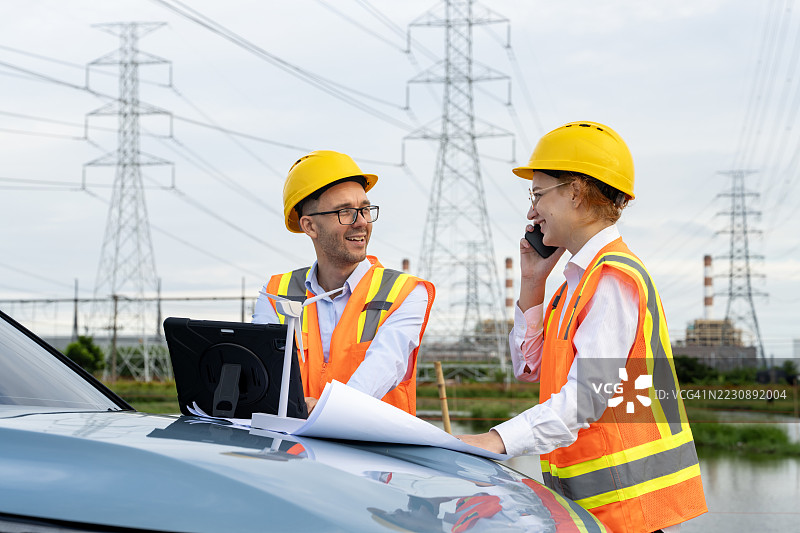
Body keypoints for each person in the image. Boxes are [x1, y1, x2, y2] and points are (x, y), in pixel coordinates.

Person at [458, 122, 707, 533]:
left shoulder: (611, 278)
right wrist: (533, 281)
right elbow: (528, 368)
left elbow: (585, 399)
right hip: (594, 509)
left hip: (624, 511)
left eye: (538, 195)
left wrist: (496, 441)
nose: (531, 211)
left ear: (574, 192)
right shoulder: (573, 284)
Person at [253, 150, 435, 416]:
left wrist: (324, 410)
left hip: (377, 454)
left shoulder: (406, 293)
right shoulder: (275, 294)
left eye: (364, 209)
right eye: (345, 212)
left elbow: (382, 369)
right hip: (291, 453)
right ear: (310, 226)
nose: (361, 222)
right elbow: (264, 379)